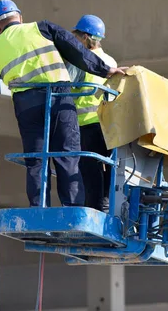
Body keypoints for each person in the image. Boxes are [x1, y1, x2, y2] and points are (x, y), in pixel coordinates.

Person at [0, 0, 127, 208]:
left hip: (26, 103)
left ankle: (39, 207)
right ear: (20, 17)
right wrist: (104, 70)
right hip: (58, 97)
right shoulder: (41, 28)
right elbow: (75, 49)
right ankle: (73, 209)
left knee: (36, 159)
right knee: (67, 155)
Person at [66, 15, 118, 213]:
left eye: (78, 37)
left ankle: (95, 209)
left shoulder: (81, 59)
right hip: (107, 125)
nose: (76, 41)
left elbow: (67, 88)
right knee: (105, 169)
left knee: (89, 170)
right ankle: (105, 207)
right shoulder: (110, 61)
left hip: (85, 123)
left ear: (86, 37)